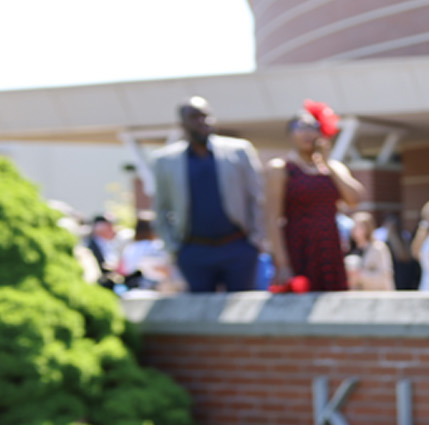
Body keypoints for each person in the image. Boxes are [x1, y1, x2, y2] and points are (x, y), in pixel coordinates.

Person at [150, 97, 268, 293]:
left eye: (205, 116)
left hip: (238, 246)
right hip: (194, 251)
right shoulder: (165, 160)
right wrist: (174, 248)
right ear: (182, 124)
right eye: (194, 117)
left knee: (242, 309)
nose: (202, 121)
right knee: (201, 314)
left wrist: (257, 239)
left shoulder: (239, 151)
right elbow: (161, 207)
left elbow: (258, 197)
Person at [265, 107, 365, 291]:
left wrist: (327, 163)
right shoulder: (281, 168)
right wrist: (283, 263)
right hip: (298, 246)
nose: (307, 133)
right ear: (290, 133)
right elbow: (273, 219)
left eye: (313, 127)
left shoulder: (332, 168)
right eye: (300, 127)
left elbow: (355, 198)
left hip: (329, 245)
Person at [119, 213, 170, 292]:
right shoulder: (155, 246)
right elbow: (164, 270)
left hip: (132, 287)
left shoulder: (130, 247)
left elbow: (124, 269)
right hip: (153, 287)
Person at [344, 211, 394, 290]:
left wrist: (360, 275)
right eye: (353, 227)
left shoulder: (378, 248)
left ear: (367, 228)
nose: (354, 230)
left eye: (358, 227)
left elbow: (386, 275)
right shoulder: (350, 249)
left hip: (376, 297)